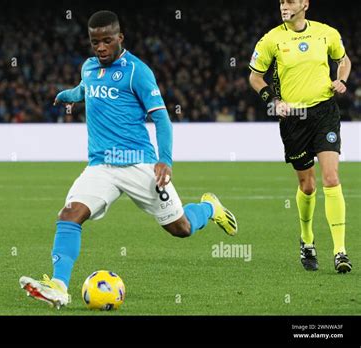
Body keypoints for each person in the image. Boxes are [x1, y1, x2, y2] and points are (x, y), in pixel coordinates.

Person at [19, 10, 238, 308]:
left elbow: (161, 119)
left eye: (107, 41)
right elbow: (86, 89)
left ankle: (210, 207)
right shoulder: (89, 67)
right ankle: (58, 286)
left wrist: (165, 161)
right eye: (95, 42)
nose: (100, 48)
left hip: (140, 164)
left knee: (181, 229)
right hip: (101, 166)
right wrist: (70, 95)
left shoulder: (138, 71)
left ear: (120, 38)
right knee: (69, 215)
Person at [248, 0, 352, 273]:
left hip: (324, 111)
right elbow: (255, 77)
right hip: (293, 118)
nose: (284, 5)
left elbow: (343, 60)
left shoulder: (326, 33)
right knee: (308, 186)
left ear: (304, 4)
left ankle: (340, 251)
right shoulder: (271, 39)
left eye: (290, 1)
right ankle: (307, 240)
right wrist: (273, 100)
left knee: (331, 177)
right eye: (282, 1)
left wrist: (342, 79)